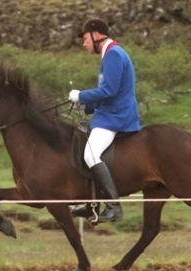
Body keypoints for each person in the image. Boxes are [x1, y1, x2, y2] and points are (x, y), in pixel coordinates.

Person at [68, 18, 142, 223]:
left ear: (96, 35)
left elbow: (108, 91)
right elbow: (107, 93)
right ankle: (91, 203)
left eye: (85, 39)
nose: (84, 44)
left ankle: (113, 206)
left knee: (91, 154)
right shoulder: (109, 55)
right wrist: (87, 106)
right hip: (110, 112)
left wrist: (80, 96)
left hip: (116, 117)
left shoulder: (114, 55)